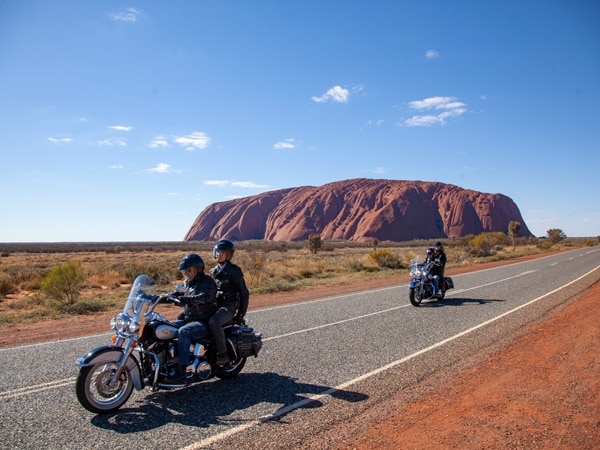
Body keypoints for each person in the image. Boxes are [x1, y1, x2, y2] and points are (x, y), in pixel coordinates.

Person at [161, 253, 217, 383]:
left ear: (197, 269)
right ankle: (167, 363)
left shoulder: (207, 282)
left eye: (188, 270)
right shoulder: (188, 283)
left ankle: (182, 370)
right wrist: (159, 297)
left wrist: (187, 299)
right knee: (164, 328)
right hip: (189, 319)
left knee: (184, 332)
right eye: (184, 271)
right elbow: (176, 295)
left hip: (203, 321)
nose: (186, 273)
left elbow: (205, 296)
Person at [209, 239, 250, 366]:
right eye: (217, 252)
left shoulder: (234, 271)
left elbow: (244, 293)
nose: (219, 254)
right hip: (215, 305)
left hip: (229, 307)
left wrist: (241, 314)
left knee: (214, 322)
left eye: (222, 252)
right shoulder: (213, 272)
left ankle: (223, 354)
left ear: (228, 254)